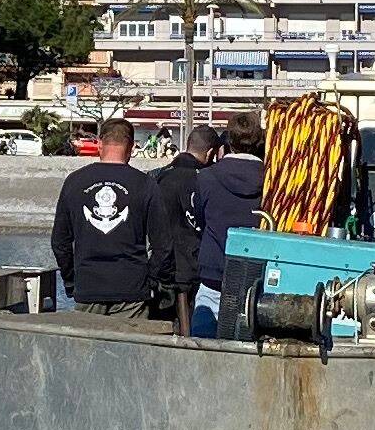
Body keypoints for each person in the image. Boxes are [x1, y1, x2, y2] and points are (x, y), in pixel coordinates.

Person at [48, 118, 158, 309]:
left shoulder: (74, 182)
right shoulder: (145, 184)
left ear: (99, 143)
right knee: (129, 340)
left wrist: (72, 281)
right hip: (131, 289)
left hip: (88, 286)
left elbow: (60, 242)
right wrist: (151, 281)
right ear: (131, 146)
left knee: (89, 340)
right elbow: (163, 245)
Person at [180, 115, 269, 330]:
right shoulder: (272, 181)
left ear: (229, 142)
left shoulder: (206, 177)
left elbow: (199, 220)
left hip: (214, 274)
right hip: (259, 280)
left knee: (204, 350)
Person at [143, 117, 221, 313]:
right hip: (196, 269)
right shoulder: (207, 180)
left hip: (163, 269)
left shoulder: (157, 176)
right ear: (211, 153)